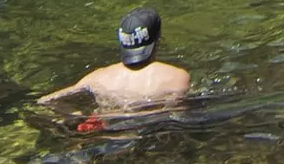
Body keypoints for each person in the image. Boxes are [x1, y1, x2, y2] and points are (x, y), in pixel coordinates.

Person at [38, 7, 190, 112]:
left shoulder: (98, 77)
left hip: (108, 131)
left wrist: (77, 115)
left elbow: (46, 101)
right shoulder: (176, 77)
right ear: (158, 39)